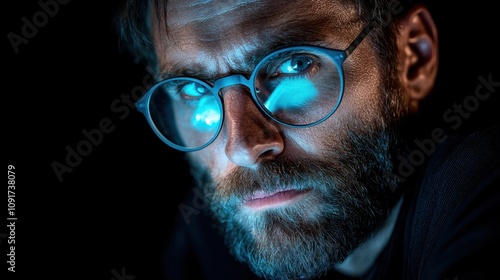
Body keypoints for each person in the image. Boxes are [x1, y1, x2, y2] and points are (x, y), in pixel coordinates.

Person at [114, 0, 499, 279]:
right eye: (193, 92)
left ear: (411, 58)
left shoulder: (481, 184)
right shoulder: (207, 241)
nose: (243, 147)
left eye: (293, 66)